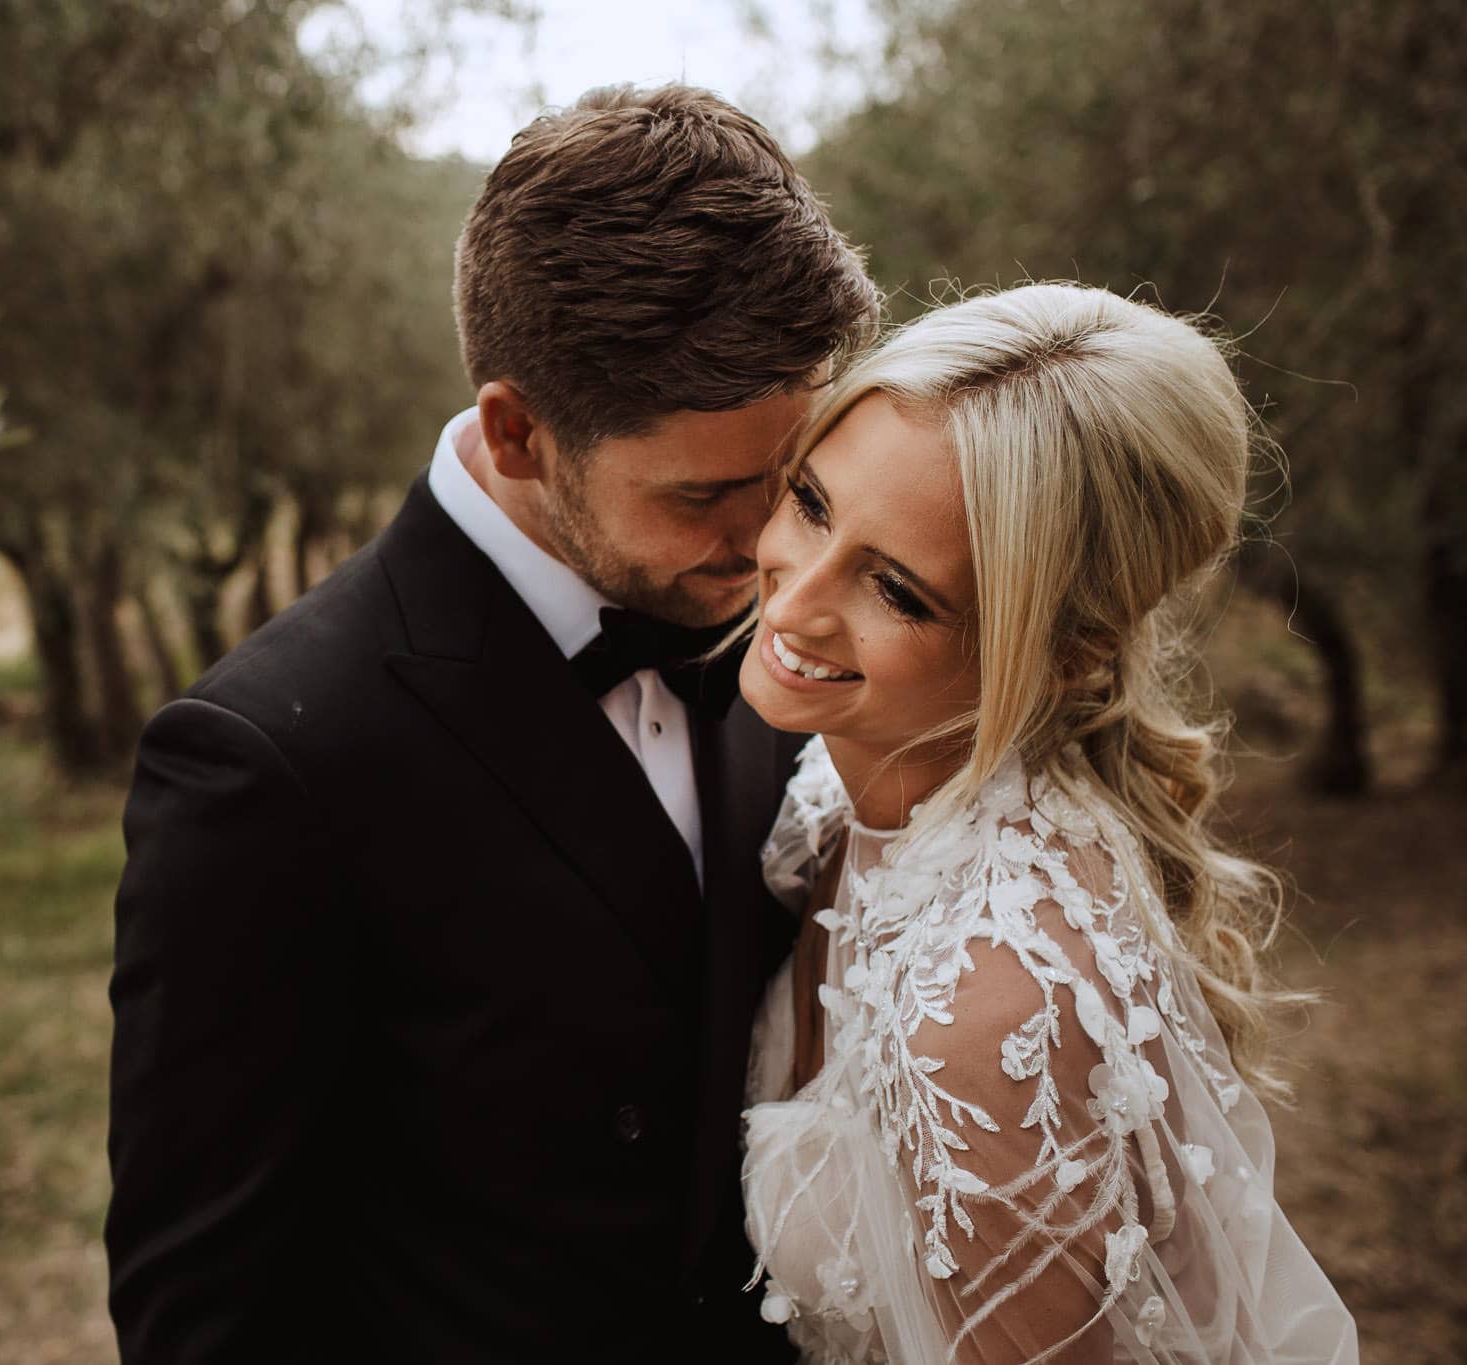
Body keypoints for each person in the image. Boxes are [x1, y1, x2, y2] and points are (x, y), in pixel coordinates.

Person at [105, 85, 878, 1363]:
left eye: (790, 481)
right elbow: (205, 1317)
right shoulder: (265, 763)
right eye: (704, 495)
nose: (771, 547)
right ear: (518, 431)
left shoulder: (775, 615)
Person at [737, 283, 1360, 1362]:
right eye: (810, 502)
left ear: (1063, 650)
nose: (790, 605)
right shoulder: (847, 794)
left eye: (896, 591)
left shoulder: (988, 1009)